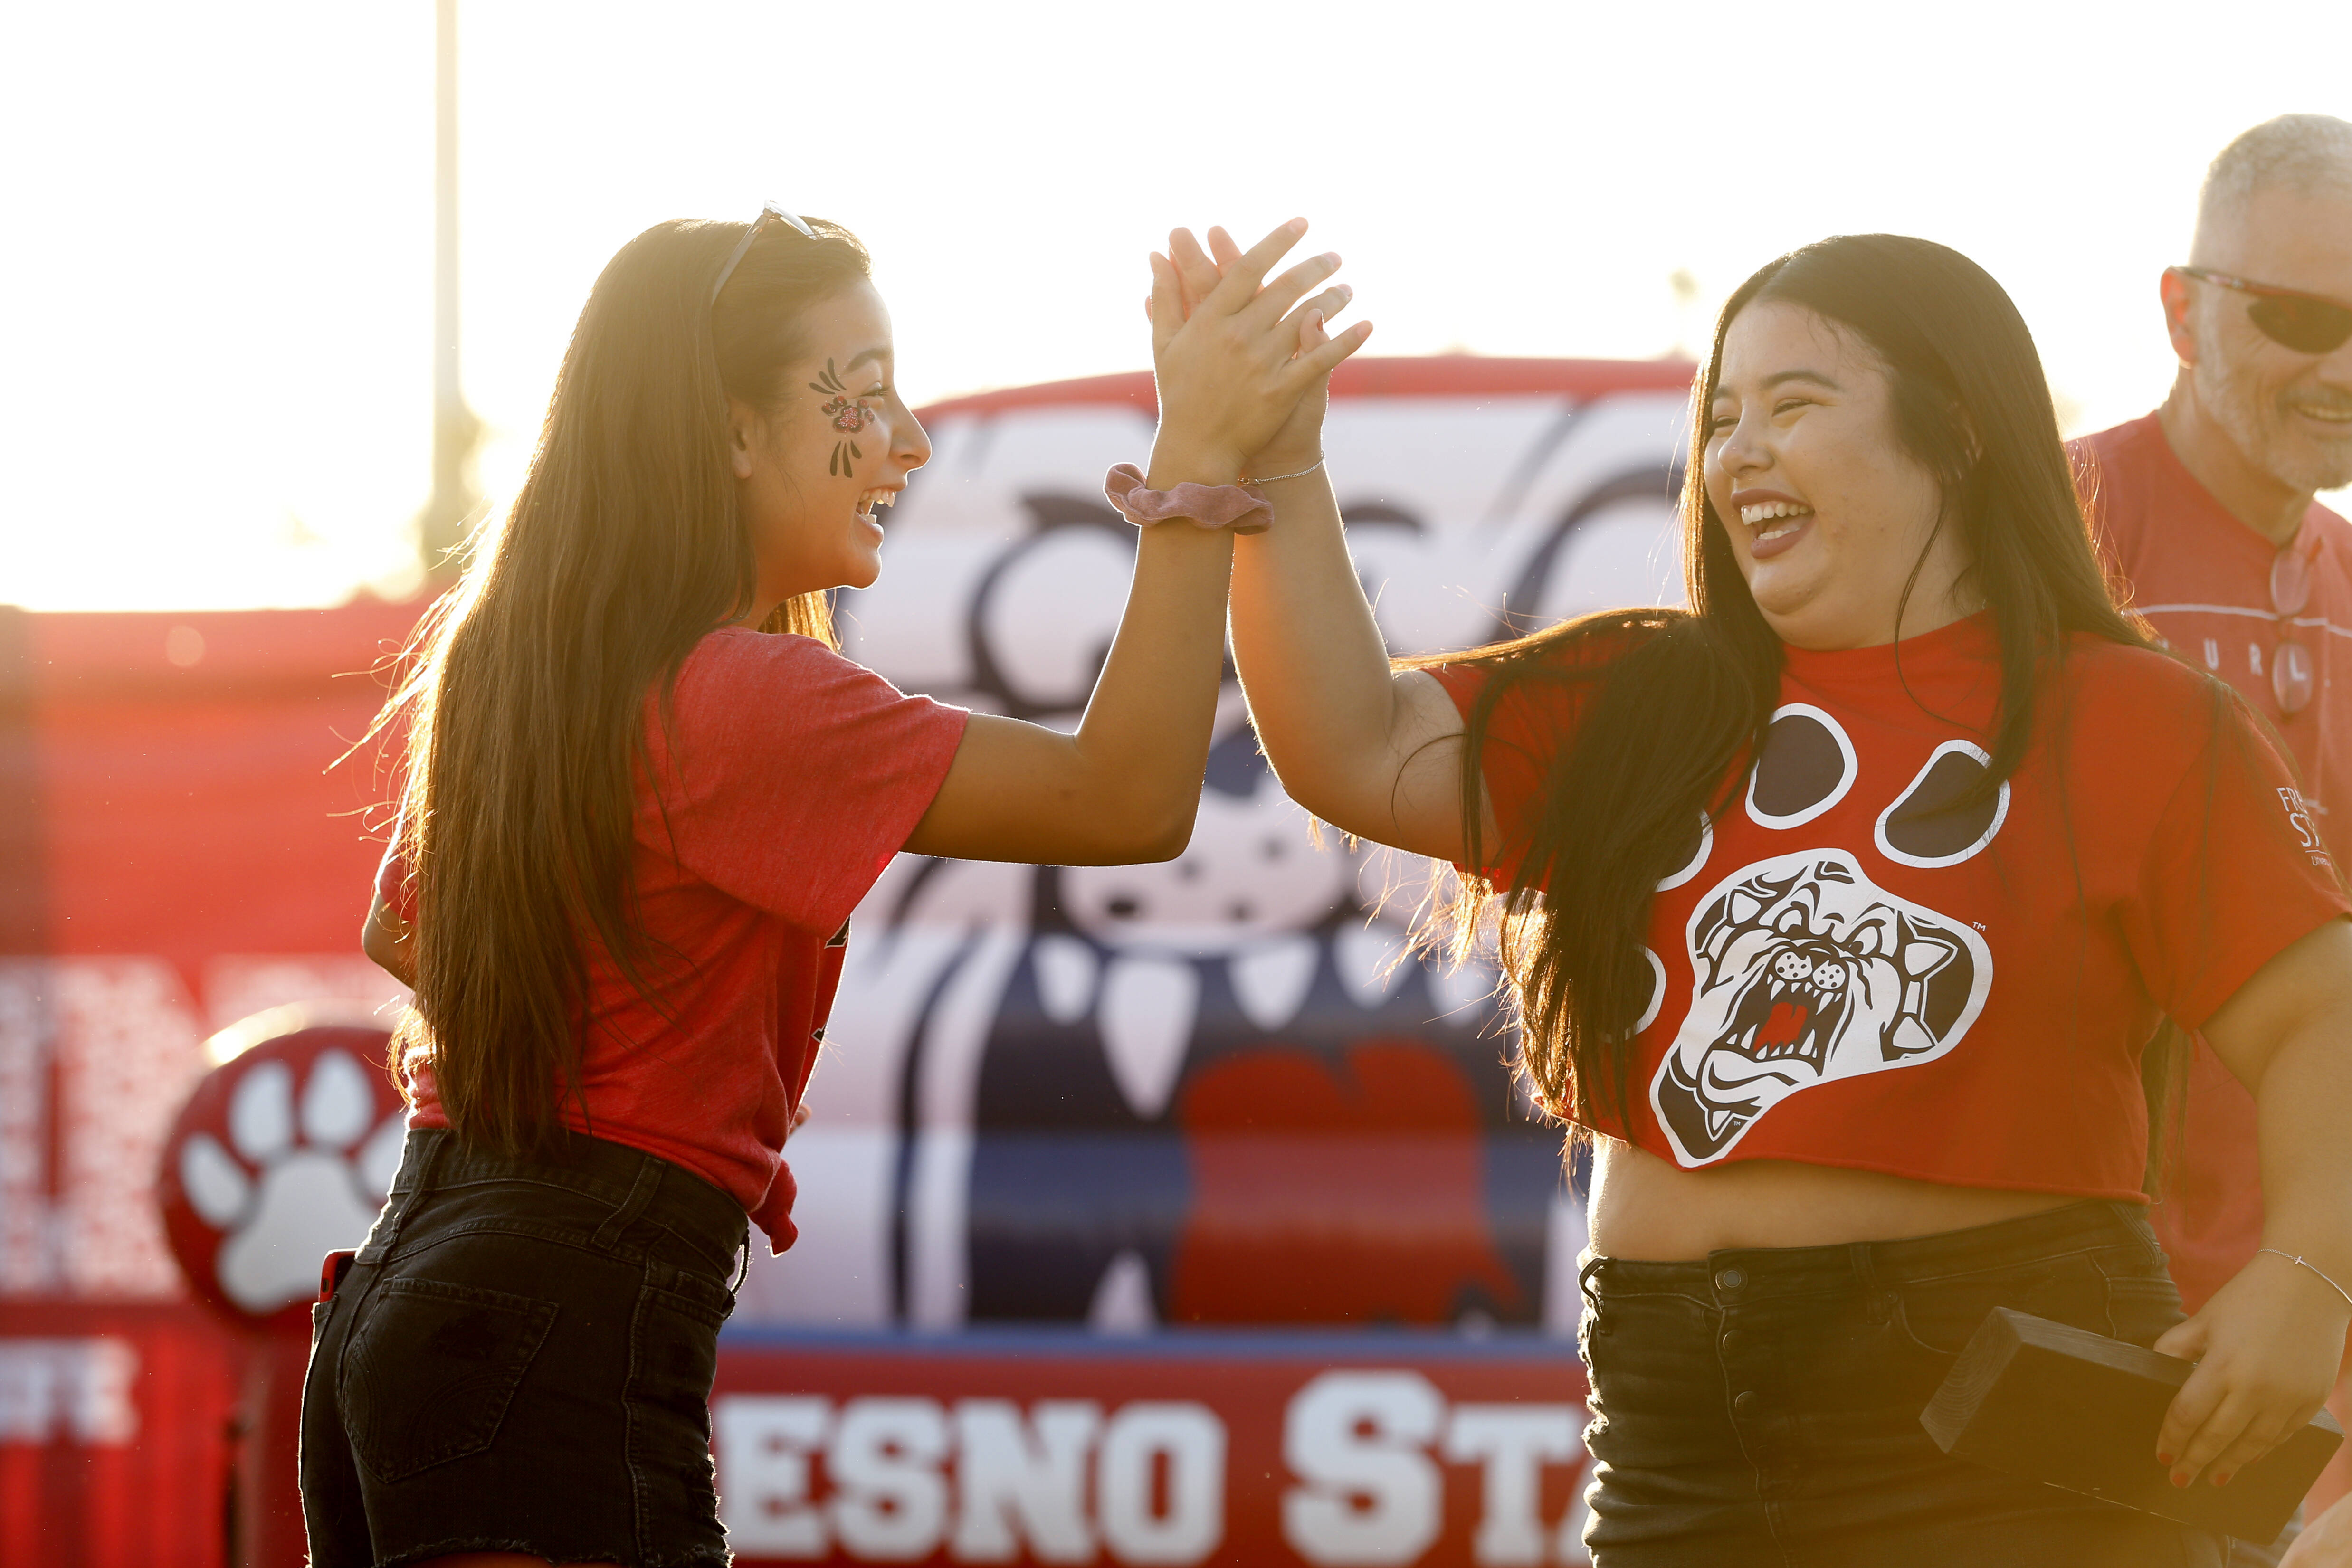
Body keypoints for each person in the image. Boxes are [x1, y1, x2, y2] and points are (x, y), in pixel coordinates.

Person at [1209, 229, 2352, 1564]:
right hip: (1674, 1420)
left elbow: (2319, 1022)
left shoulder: (2140, 718)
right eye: (1724, 416)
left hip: (1991, 1405)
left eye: (1797, 405)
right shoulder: (1646, 696)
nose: (1739, 451)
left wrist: (2308, 1281)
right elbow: (1349, 744)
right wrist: (1276, 452)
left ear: (1961, 428)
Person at [301, 209, 1370, 1568]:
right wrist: (1197, 460)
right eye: (859, 397)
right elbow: (1135, 796)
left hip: (415, 1296)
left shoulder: (524, 665)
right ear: (730, 431)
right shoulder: (737, 697)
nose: (909, 441)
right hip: (551, 1330)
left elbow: (403, 931)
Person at [2076, 114, 2352, 1563]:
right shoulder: (2045, 542)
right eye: (2300, 317)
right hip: (2079, 1359)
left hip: (2302, 1361)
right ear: (2182, 310)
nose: (2343, 368)